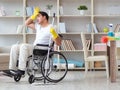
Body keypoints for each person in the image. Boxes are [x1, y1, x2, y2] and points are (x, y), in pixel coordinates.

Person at [3, 7, 61, 77]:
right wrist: (33, 15)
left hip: (43, 49)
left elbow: (58, 43)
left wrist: (54, 33)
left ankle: (21, 70)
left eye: (38, 16)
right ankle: (12, 69)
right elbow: (26, 23)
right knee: (14, 47)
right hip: (35, 47)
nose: (36, 18)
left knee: (24, 46)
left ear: (44, 17)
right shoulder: (38, 26)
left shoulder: (52, 27)